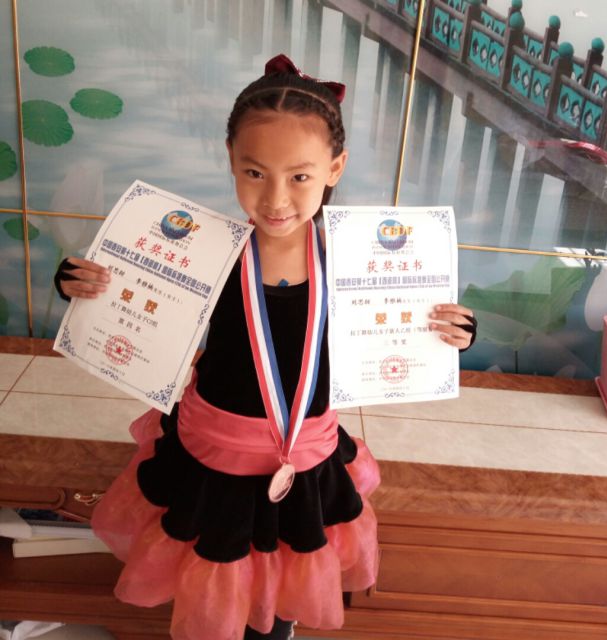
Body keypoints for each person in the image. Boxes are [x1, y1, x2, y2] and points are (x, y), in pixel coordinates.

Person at [54, 54, 477, 640]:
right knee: (213, 588)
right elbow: (127, 293)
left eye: (299, 176)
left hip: (304, 460)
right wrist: (78, 284)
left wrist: (454, 331)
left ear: (335, 168)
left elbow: (413, 324)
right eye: (255, 173)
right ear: (231, 160)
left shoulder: (359, 264)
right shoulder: (202, 252)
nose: (276, 198)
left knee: (280, 603)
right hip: (212, 459)